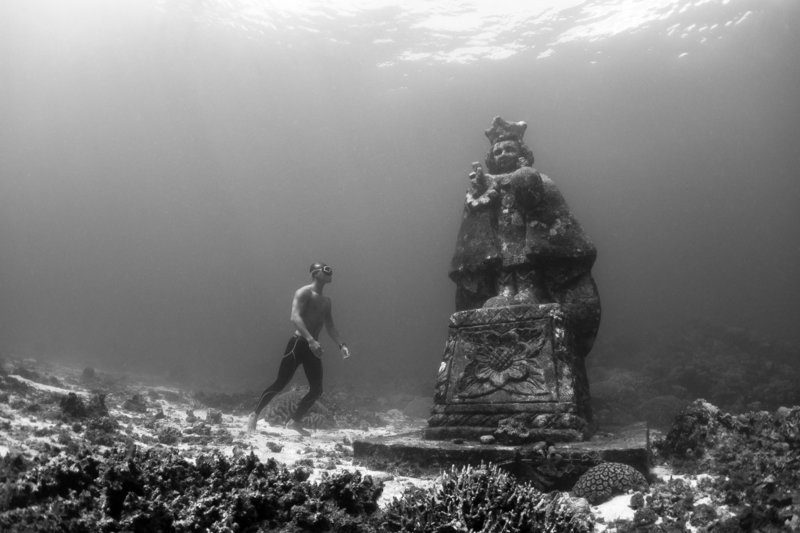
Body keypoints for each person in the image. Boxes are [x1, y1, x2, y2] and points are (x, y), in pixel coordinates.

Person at [247, 262, 350, 435]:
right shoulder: (304, 292)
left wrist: (342, 345)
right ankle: (255, 414)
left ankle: (294, 422)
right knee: (280, 383)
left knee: (317, 389)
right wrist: (310, 340)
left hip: (313, 347)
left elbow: (330, 326)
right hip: (299, 343)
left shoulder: (326, 301)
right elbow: (294, 317)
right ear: (315, 274)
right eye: (325, 270)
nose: (329, 272)